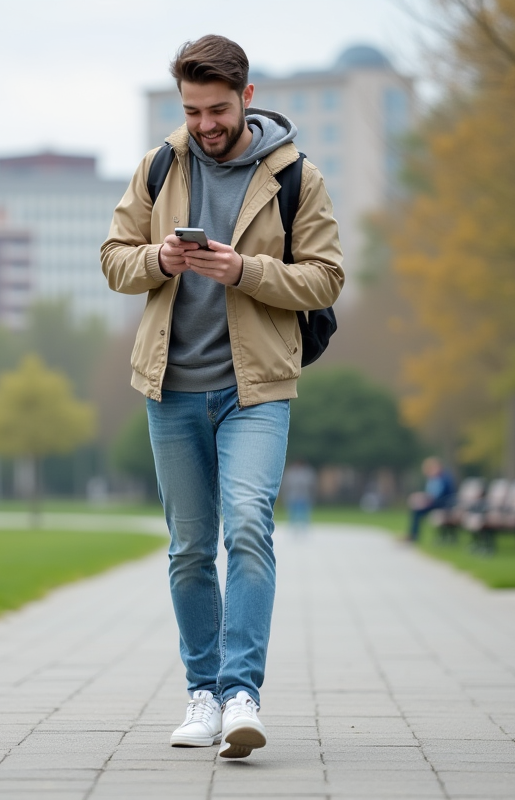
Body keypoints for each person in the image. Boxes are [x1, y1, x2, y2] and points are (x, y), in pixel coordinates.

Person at [101, 35, 344, 759]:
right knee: (188, 550)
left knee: (247, 526)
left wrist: (245, 270)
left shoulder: (297, 176)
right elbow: (114, 260)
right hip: (170, 390)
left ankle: (242, 693)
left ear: (246, 95)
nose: (203, 124)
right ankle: (201, 694)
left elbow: (326, 279)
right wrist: (159, 259)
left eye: (215, 109)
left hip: (256, 388)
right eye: (190, 110)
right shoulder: (159, 167)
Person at [406, 457, 456, 543]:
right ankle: (413, 534)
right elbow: (431, 495)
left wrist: (423, 498)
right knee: (416, 509)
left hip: (443, 504)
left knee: (417, 510)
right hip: (436, 503)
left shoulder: (443, 478)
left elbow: (437, 495)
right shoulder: (434, 479)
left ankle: (414, 535)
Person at [282, 460, 316, 535]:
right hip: (293, 497)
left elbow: (311, 485)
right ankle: (293, 530)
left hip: (303, 496)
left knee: (304, 515)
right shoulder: (291, 473)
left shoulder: (306, 473)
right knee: (292, 514)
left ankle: (304, 530)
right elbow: (286, 485)